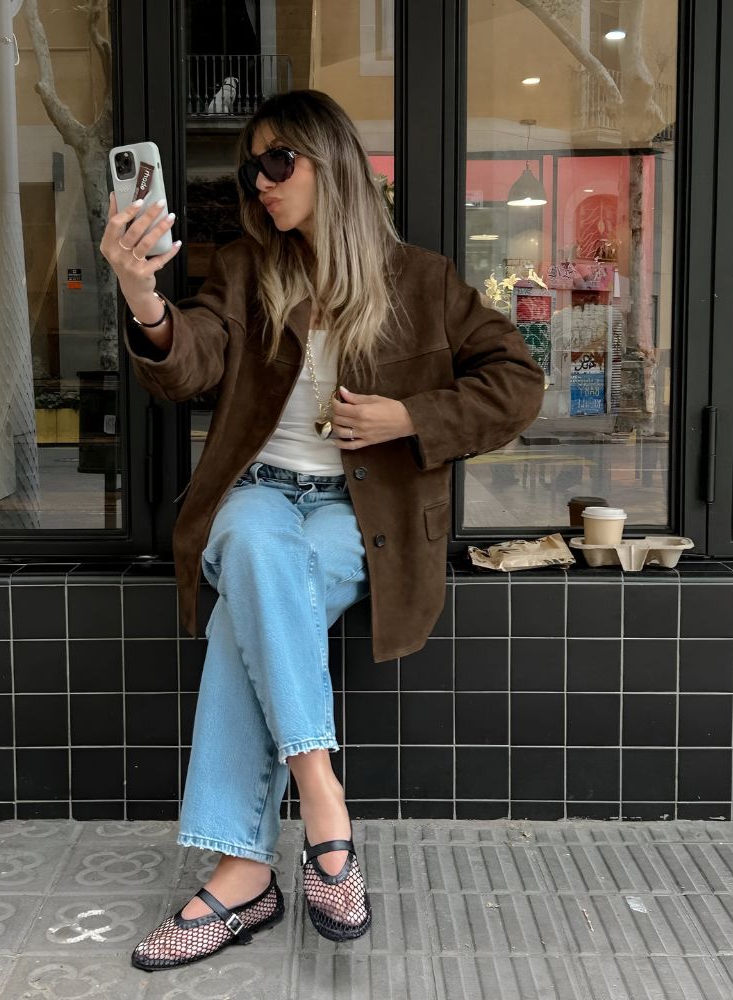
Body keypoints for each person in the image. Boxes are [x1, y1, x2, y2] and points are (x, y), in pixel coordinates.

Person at [100, 89, 544, 972]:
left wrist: (408, 417)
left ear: (333, 163)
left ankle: (240, 875)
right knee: (253, 542)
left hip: (362, 517)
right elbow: (191, 360)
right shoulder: (243, 270)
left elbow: (517, 383)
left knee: (246, 612)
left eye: (279, 161)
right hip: (259, 495)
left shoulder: (422, 281)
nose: (261, 182)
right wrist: (143, 297)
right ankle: (322, 798)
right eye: (251, 169)